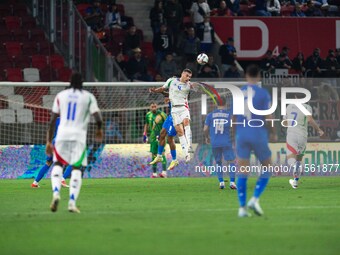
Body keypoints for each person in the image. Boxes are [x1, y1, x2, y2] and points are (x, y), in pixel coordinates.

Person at [47, 72, 103, 213]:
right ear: (82, 82)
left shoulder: (61, 96)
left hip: (62, 135)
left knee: (58, 164)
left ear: (69, 82)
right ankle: (72, 202)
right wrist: (99, 129)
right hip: (78, 137)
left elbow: (53, 119)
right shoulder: (88, 97)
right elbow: (97, 116)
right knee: (77, 168)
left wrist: (48, 141)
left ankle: (55, 193)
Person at [234, 64, 277, 217]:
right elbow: (269, 116)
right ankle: (255, 198)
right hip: (258, 133)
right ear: (258, 76)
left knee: (242, 172)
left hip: (242, 134)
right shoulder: (263, 93)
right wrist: (273, 132)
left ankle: (241, 209)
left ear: (246, 76)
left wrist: (235, 136)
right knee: (267, 166)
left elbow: (233, 118)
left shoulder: (238, 93)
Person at [149, 69, 198, 162]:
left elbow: (191, 93)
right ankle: (186, 155)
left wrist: (196, 86)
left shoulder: (188, 85)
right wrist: (155, 90)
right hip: (174, 111)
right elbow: (163, 89)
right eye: (187, 76)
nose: (188, 78)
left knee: (185, 124)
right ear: (182, 74)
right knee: (176, 133)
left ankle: (189, 147)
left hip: (183, 108)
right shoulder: (171, 81)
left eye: (190, 77)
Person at [283, 94, 324, 189]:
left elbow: (284, 122)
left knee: (291, 160)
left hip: (292, 134)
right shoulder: (307, 107)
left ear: (296, 97)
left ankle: (294, 166)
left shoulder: (289, 106)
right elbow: (310, 119)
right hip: (302, 135)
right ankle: (295, 182)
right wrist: (319, 130)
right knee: (299, 159)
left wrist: (289, 123)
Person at [204, 96, 237, 190]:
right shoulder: (229, 114)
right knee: (231, 162)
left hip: (215, 142)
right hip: (226, 141)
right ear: (226, 104)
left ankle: (221, 182)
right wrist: (234, 137)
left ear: (216, 104)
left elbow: (205, 129)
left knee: (218, 162)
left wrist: (207, 137)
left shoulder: (210, 115)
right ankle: (232, 182)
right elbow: (234, 127)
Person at [31, 117, 71, 188]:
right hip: (62, 143)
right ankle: (62, 179)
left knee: (48, 163)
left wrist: (48, 142)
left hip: (54, 142)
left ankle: (35, 183)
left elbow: (49, 131)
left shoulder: (56, 119)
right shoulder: (69, 120)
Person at [149, 92, 179, 171]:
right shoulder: (148, 114)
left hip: (176, 117)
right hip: (170, 117)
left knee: (169, 139)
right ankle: (159, 156)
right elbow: (167, 93)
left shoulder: (179, 94)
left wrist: (160, 91)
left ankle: (174, 160)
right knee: (162, 134)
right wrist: (158, 91)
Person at [143, 103, 168, 178]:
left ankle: (164, 173)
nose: (154, 108)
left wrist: (165, 134)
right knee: (153, 154)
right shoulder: (148, 115)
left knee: (162, 153)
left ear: (157, 107)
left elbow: (167, 124)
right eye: (152, 106)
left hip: (161, 136)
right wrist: (144, 134)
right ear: (150, 107)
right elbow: (146, 124)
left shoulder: (162, 114)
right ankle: (154, 173)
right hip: (153, 137)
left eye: (155, 106)